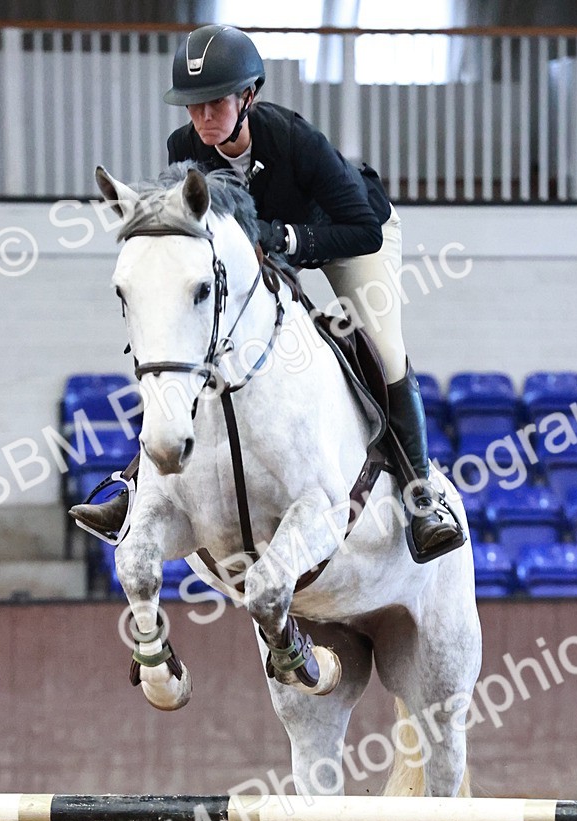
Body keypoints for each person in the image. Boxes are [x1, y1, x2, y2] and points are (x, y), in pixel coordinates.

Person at [72, 23, 464, 564]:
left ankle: (421, 499)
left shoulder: (292, 139)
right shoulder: (184, 149)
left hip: (349, 233)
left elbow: (362, 230)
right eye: (193, 106)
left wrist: (285, 238)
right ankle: (137, 493)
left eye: (215, 103)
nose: (203, 118)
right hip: (270, 250)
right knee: (190, 347)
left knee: (385, 347)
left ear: (248, 96)